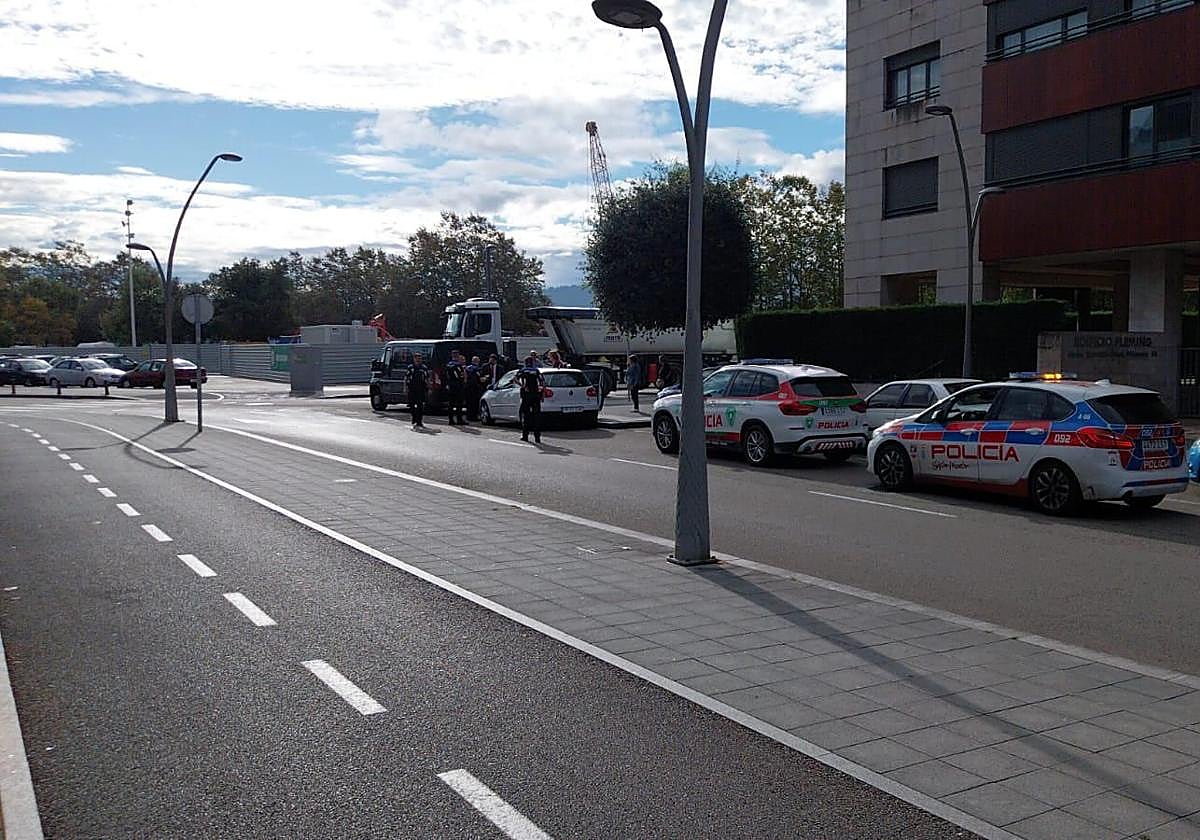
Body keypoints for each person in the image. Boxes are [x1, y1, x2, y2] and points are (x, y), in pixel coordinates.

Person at [516, 355, 545, 444]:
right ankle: (537, 437)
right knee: (536, 415)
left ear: (525, 362)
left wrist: (523, 386)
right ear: (532, 362)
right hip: (536, 394)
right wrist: (541, 393)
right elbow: (542, 382)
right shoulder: (536, 370)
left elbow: (515, 379)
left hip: (526, 394)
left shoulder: (523, 370)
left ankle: (525, 436)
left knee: (526, 415)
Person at [405, 351, 430, 428]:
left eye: (420, 358)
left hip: (421, 389)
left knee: (420, 406)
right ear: (414, 359)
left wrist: (428, 387)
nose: (418, 360)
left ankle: (419, 421)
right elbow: (406, 378)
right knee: (411, 405)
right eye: (417, 358)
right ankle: (414, 417)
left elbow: (427, 378)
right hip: (412, 388)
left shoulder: (424, 368)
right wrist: (405, 388)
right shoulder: (410, 367)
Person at [444, 349, 467, 425]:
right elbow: (461, 376)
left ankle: (451, 420)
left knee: (451, 404)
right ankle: (459, 419)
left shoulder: (448, 364)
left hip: (450, 386)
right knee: (459, 404)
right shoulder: (458, 365)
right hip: (458, 386)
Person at [465, 354, 483, 421]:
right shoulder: (477, 369)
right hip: (475, 388)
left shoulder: (467, 368)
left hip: (468, 387)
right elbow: (479, 378)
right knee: (474, 403)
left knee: (469, 403)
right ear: (477, 361)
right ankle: (473, 417)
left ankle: (468, 416)